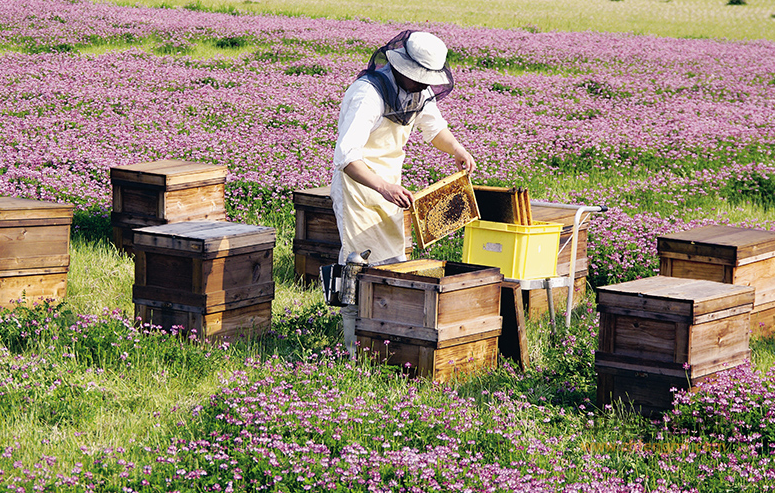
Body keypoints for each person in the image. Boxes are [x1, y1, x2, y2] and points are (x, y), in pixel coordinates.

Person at [330, 30, 476, 356]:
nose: (422, 84)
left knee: (394, 261)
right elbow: (347, 157)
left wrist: (457, 149)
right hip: (359, 188)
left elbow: (434, 128)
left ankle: (384, 336)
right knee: (358, 262)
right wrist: (382, 186)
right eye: (417, 77)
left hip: (391, 188)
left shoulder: (418, 93)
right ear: (400, 67)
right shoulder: (366, 95)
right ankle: (353, 345)